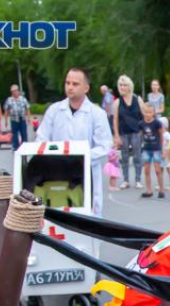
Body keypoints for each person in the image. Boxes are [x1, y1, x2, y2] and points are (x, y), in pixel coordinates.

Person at [35, 68, 113, 216]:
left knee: (89, 214)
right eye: (67, 83)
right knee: (58, 212)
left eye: (75, 84)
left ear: (86, 88)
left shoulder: (97, 114)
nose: (70, 87)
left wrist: (81, 157)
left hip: (86, 171)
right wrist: (53, 156)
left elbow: (104, 146)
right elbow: (42, 138)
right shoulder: (54, 110)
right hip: (57, 171)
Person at [112, 75, 145, 189]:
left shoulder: (138, 99)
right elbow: (115, 119)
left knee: (137, 156)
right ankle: (125, 180)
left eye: (124, 85)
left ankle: (138, 180)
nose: (122, 87)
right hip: (123, 132)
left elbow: (144, 115)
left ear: (129, 86)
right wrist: (116, 135)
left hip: (136, 132)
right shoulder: (117, 102)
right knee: (124, 157)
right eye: (120, 85)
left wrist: (142, 130)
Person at [139, 103, 166, 198]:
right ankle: (149, 190)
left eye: (150, 112)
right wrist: (141, 147)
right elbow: (141, 135)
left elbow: (162, 135)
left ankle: (161, 189)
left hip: (156, 149)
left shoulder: (157, 123)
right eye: (146, 112)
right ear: (144, 112)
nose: (148, 114)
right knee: (146, 170)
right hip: (146, 149)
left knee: (158, 170)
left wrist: (163, 149)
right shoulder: (141, 124)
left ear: (153, 113)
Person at [3, 84, 32, 150]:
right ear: (11, 92)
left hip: (22, 119)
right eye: (13, 91)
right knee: (15, 134)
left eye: (16, 91)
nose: (15, 92)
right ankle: (16, 147)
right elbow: (6, 110)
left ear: (18, 91)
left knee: (24, 133)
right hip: (14, 119)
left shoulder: (23, 99)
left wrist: (29, 118)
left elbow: (27, 108)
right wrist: (6, 120)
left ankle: (25, 146)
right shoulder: (9, 100)